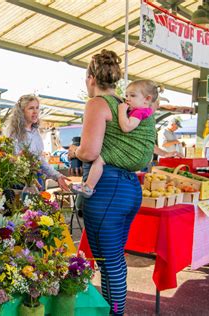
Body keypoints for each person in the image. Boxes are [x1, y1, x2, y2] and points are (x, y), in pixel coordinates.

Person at [68, 50, 155, 315]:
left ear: (90, 77)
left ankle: (115, 312)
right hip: (129, 189)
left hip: (108, 190)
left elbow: (90, 152)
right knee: (115, 257)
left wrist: (73, 153)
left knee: (109, 260)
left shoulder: (97, 103)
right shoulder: (125, 103)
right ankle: (113, 309)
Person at [71, 80, 161, 198]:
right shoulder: (144, 111)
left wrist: (121, 111)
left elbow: (126, 127)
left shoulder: (139, 112)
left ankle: (89, 186)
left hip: (131, 159)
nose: (127, 99)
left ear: (147, 99)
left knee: (99, 160)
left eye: (132, 96)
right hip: (136, 167)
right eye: (127, 95)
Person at [4, 94, 70, 191]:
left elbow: (40, 160)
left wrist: (57, 176)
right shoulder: (13, 132)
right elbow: (13, 160)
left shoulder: (35, 132)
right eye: (31, 108)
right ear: (21, 111)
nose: (35, 112)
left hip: (36, 179)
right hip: (19, 183)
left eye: (37, 108)